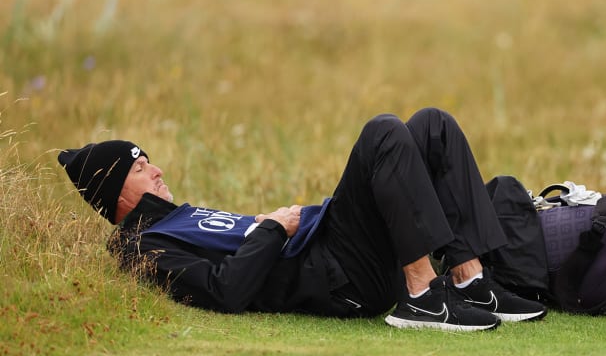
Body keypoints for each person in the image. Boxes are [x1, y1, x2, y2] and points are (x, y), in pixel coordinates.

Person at [58, 107, 547, 331]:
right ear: (112, 190)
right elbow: (225, 291)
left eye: (151, 161)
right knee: (382, 133)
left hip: (332, 245)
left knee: (431, 127)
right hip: (335, 276)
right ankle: (420, 297)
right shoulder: (138, 246)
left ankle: (470, 281)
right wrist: (272, 226)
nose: (158, 170)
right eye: (141, 169)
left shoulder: (179, 216)